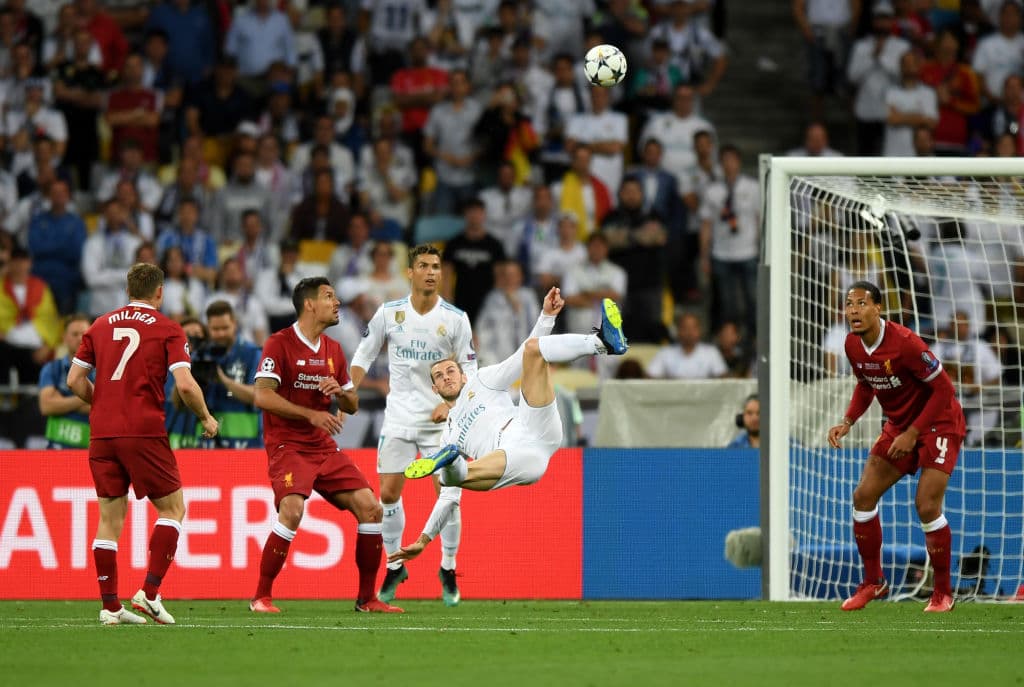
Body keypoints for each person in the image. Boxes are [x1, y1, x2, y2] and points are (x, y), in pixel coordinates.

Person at [387, 292, 627, 564]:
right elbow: (447, 502)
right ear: (435, 389)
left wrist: (546, 316)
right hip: (515, 456)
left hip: (535, 426)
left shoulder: (483, 380)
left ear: (463, 374)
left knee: (534, 350)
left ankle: (602, 342)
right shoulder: (448, 434)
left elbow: (522, 356)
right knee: (448, 483)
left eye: (450, 371)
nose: (446, 377)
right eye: (439, 376)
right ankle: (451, 463)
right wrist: (423, 540)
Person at [66, 262, 219, 625]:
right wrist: (206, 417)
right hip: (143, 429)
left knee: (109, 518)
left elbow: (74, 380)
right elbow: (184, 384)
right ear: (160, 292)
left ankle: (109, 606)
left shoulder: (100, 325)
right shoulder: (168, 328)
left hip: (102, 431)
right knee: (173, 509)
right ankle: (149, 594)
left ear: (127, 290)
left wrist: (104, 403)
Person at [249, 276, 400, 614]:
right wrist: (310, 415)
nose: (337, 303)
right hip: (288, 445)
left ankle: (367, 599)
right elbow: (262, 395)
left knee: (371, 508)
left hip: (322, 447)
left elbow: (352, 405)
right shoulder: (279, 343)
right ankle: (261, 596)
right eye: (329, 297)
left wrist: (341, 392)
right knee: (292, 511)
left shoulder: (333, 350)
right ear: (309, 304)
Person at [349, 244, 477, 607]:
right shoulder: (390, 313)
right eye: (423, 265)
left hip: (441, 423)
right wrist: (350, 389)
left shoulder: (455, 318)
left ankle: (448, 568)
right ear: (410, 272)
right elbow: (364, 353)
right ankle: (394, 565)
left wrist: (447, 403)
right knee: (388, 494)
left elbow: (472, 369)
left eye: (436, 266)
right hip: (400, 418)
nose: (431, 272)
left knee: (448, 495)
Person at [827, 281, 965, 614]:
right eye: (849, 304)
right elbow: (866, 385)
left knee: (926, 506)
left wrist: (914, 433)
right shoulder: (853, 345)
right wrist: (848, 421)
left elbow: (944, 390)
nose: (854, 311)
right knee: (863, 495)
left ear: (878, 308)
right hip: (899, 425)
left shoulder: (905, 343)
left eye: (862, 303)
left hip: (938, 424)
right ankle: (873, 581)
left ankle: (942, 593)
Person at [183, 300, 262, 448]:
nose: (220, 333)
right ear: (208, 327)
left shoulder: (252, 354)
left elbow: (260, 395)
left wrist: (223, 379)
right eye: (215, 329)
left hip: (245, 442)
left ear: (235, 324)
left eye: (225, 328)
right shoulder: (202, 354)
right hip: (207, 441)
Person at [38, 313, 94, 449]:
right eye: (75, 334)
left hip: (89, 451)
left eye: (84, 334)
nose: (80, 338)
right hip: (56, 450)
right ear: (64, 338)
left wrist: (61, 401)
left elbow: (107, 410)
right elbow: (46, 407)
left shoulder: (104, 370)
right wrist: (90, 396)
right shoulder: (51, 368)